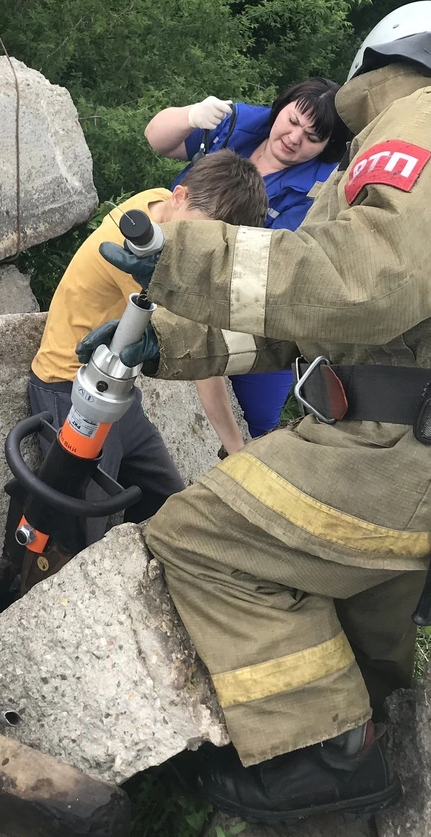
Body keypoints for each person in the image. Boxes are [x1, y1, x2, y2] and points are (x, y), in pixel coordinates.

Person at [82, 1, 431, 823]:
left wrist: (186, 256)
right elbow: (314, 319)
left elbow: (367, 283)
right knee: (357, 600)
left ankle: (324, 749)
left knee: (198, 537)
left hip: (400, 457)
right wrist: (167, 344)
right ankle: (370, 725)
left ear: (378, 62)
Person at [29, 149, 268, 551]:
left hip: (118, 394)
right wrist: (237, 449)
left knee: (166, 500)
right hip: (69, 389)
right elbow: (200, 364)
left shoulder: (156, 207)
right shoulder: (130, 253)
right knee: (83, 533)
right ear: (179, 196)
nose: (197, 255)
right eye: (196, 236)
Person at [144, 79, 349, 445]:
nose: (294, 137)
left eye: (313, 137)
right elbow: (158, 139)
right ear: (281, 107)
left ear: (326, 147)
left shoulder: (318, 193)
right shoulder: (241, 123)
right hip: (172, 263)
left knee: (259, 418)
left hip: (255, 310)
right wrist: (191, 115)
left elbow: (273, 262)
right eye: (293, 120)